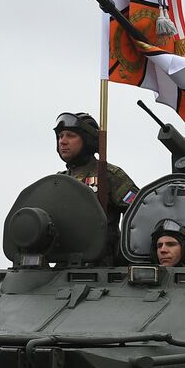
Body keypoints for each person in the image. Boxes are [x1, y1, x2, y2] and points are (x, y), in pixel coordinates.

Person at [54, 111, 138, 262]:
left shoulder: (109, 175)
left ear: (88, 140)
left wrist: (124, 251)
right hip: (64, 265)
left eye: (70, 136)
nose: (63, 141)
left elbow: (138, 212)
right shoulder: (58, 180)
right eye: (60, 136)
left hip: (104, 265)